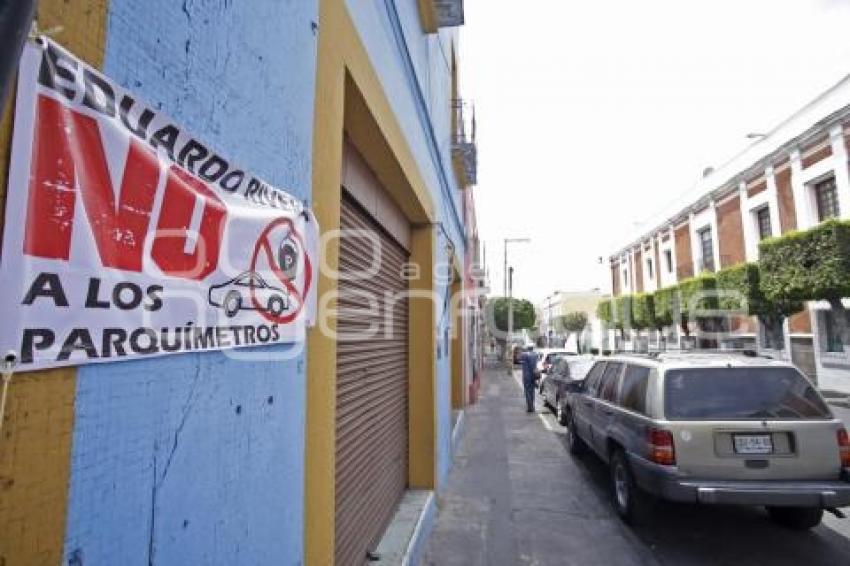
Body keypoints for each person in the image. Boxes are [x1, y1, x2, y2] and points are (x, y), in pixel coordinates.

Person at [520, 345, 539, 413]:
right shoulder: (535, 355)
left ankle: (529, 407)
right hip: (532, 375)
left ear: (527, 348)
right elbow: (534, 366)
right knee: (532, 391)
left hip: (526, 376)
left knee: (527, 391)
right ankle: (532, 406)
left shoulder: (524, 355)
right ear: (532, 348)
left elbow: (521, 361)